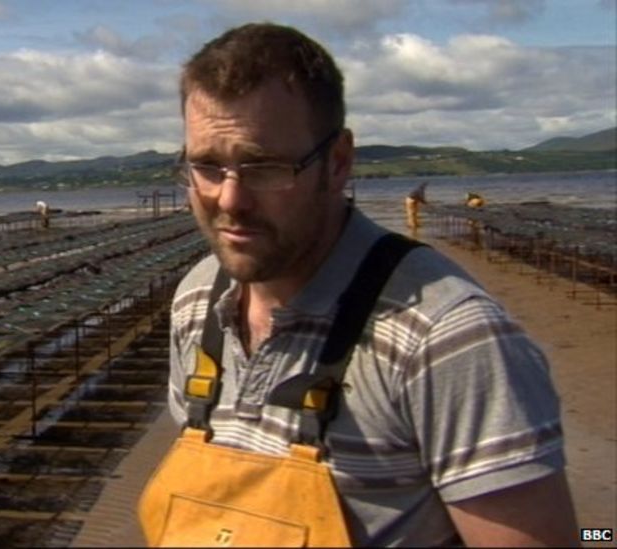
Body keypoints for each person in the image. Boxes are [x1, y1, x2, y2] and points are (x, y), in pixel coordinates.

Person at [152, 22, 576, 546]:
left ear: (338, 163)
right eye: (207, 166)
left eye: (264, 166)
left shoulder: (448, 340)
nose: (230, 200)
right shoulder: (197, 300)